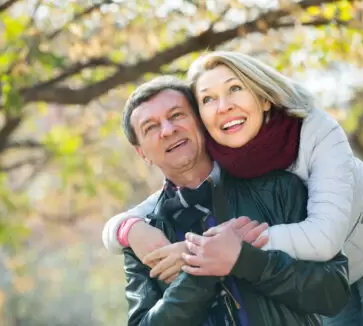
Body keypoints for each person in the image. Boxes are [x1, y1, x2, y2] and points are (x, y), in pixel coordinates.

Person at [103, 51, 363, 326]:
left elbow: (323, 242)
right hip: (342, 261)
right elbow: (158, 205)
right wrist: (127, 229)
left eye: (235, 89)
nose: (169, 130)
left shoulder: (310, 135)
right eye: (209, 99)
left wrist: (218, 253)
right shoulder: (222, 159)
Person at [120, 75, 349, 325]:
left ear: (202, 122)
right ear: (142, 153)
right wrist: (202, 269)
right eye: (151, 127)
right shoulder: (145, 236)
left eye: (177, 115)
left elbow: (333, 291)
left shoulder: (276, 187)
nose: (168, 130)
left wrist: (246, 260)